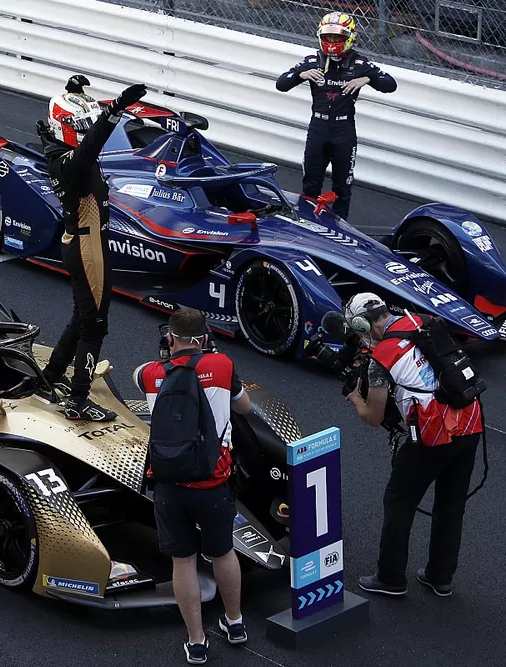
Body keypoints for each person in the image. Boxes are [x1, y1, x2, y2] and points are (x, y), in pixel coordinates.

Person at [343, 293, 483, 597]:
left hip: (433, 434)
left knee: (398, 500)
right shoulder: (422, 321)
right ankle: (440, 576)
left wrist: (356, 399)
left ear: (361, 325)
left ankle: (391, 577)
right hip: (470, 419)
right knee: (451, 503)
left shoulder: (382, 358)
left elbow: (374, 416)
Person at [133, 308, 251, 665]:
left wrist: (166, 354)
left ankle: (197, 642)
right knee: (222, 552)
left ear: (170, 338)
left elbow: (137, 373)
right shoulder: (224, 366)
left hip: (169, 483)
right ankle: (235, 623)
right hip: (213, 481)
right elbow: (243, 407)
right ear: (203, 338)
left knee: (182, 562)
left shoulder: (153, 375)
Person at [37, 74, 148, 421]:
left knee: (82, 316)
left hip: (86, 243)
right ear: (63, 127)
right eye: (78, 124)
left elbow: (80, 131)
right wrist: (114, 110)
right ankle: (78, 399)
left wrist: (75, 92)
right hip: (89, 247)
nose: (84, 129)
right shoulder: (72, 163)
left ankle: (52, 375)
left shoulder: (61, 150)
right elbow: (92, 146)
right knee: (95, 325)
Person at [275, 12, 397, 221]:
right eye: (328, 37)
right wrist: (300, 75)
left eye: (337, 37)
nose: (331, 42)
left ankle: (340, 231)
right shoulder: (313, 60)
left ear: (349, 37)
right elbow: (281, 83)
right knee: (311, 184)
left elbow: (390, 84)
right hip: (318, 128)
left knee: (343, 187)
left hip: (344, 131)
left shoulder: (359, 63)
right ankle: (307, 225)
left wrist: (367, 78)